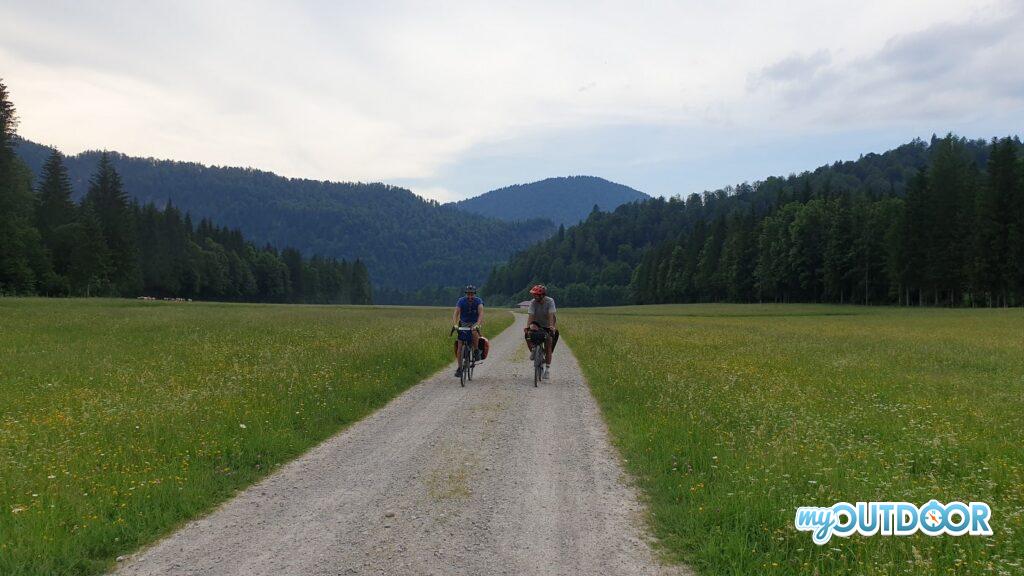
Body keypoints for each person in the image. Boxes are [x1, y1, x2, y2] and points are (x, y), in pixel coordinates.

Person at [524, 284, 558, 379]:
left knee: (548, 344)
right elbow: (531, 315)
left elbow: (551, 315)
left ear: (542, 295)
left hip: (547, 324)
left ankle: (547, 369)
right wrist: (528, 327)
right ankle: (533, 351)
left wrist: (551, 327)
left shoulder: (550, 301)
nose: (534, 296)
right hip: (537, 324)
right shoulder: (533, 302)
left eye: (536, 295)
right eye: (533, 295)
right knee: (527, 335)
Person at [452, 285, 484, 378]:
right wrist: (455, 324)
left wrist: (478, 324)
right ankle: (459, 368)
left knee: (474, 333)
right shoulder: (461, 301)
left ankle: (476, 350)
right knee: (459, 346)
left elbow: (481, 313)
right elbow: (456, 313)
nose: (470, 296)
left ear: (474, 294)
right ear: (466, 294)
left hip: (474, 323)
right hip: (463, 323)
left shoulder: (478, 301)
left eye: (472, 294)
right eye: (468, 294)